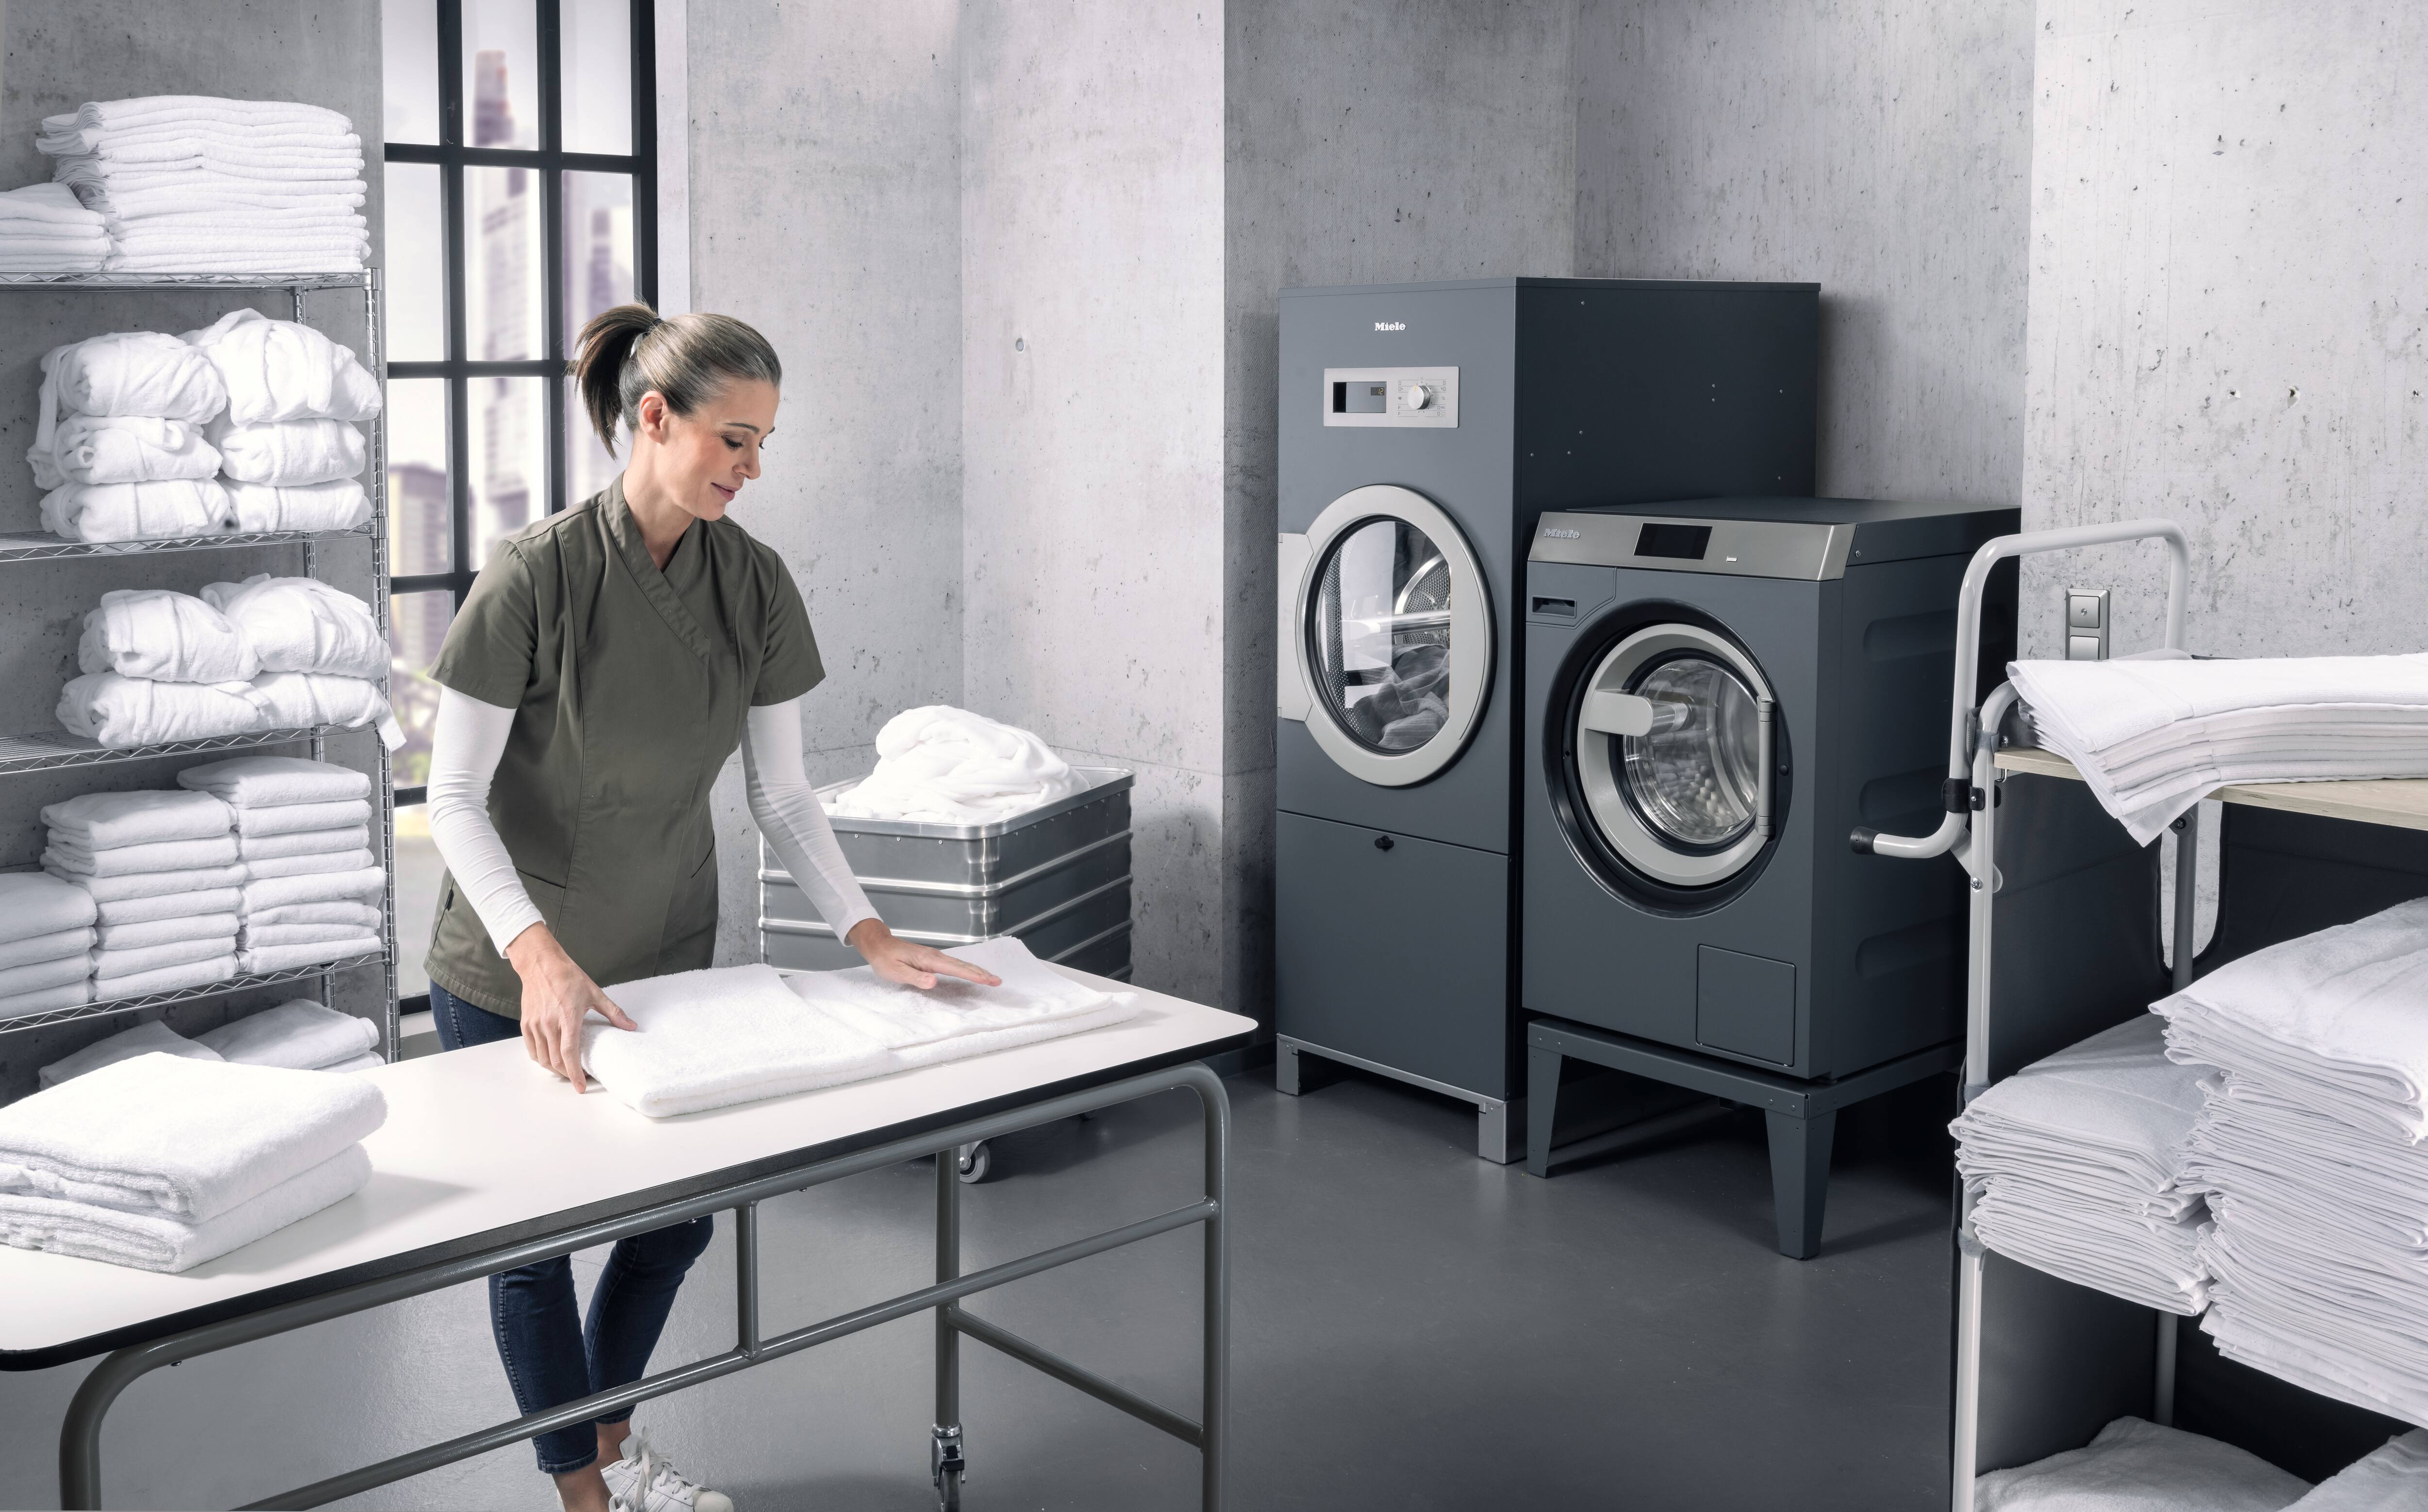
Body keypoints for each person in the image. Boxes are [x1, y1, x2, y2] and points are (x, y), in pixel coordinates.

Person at [422, 303, 997, 1512]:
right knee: (535, 1248)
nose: (750, 468)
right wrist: (536, 959)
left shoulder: (756, 582)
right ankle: (583, 1495)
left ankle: (612, 1449)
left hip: (668, 954)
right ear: (653, 418)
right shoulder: (536, 576)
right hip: (511, 965)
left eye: (764, 444)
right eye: (733, 439)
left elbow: (781, 796)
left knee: (676, 1224)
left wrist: (869, 933)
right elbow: (454, 797)